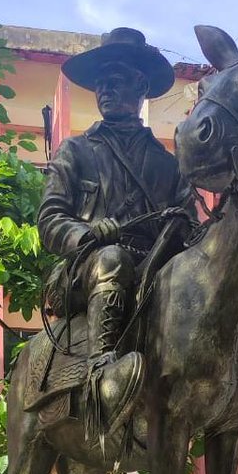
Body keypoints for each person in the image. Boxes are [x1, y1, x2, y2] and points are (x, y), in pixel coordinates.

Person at [38, 27, 196, 434]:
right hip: (88, 268)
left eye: (117, 81)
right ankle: (102, 372)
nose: (105, 90)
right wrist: (88, 233)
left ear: (140, 86)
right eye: (101, 83)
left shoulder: (168, 165)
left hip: (153, 270)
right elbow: (50, 219)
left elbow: (191, 228)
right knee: (113, 259)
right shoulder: (76, 151)